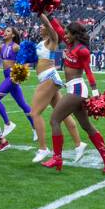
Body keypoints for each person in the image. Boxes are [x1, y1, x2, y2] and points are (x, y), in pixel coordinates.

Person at [40, 15, 105, 174]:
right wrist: (49, 16)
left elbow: (88, 71)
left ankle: (57, 158)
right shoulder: (70, 45)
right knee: (86, 126)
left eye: (69, 34)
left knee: (55, 120)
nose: (65, 36)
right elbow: (59, 29)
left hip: (77, 90)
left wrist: (95, 94)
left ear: (75, 35)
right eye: (66, 33)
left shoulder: (82, 51)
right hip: (73, 89)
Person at [29, 14, 86, 164]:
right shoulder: (41, 42)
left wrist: (41, 12)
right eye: (40, 26)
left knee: (35, 113)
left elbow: (48, 24)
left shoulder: (53, 40)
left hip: (49, 77)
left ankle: (43, 148)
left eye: (42, 26)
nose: (40, 27)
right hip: (45, 78)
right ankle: (79, 144)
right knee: (64, 114)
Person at [0, 27, 34, 140]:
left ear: (13, 35)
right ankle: (36, 129)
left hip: (11, 77)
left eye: (8, 31)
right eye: (5, 31)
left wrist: (20, 73)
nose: (5, 32)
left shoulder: (15, 47)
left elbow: (28, 59)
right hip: (6, 76)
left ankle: (8, 124)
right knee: (23, 104)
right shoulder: (2, 46)